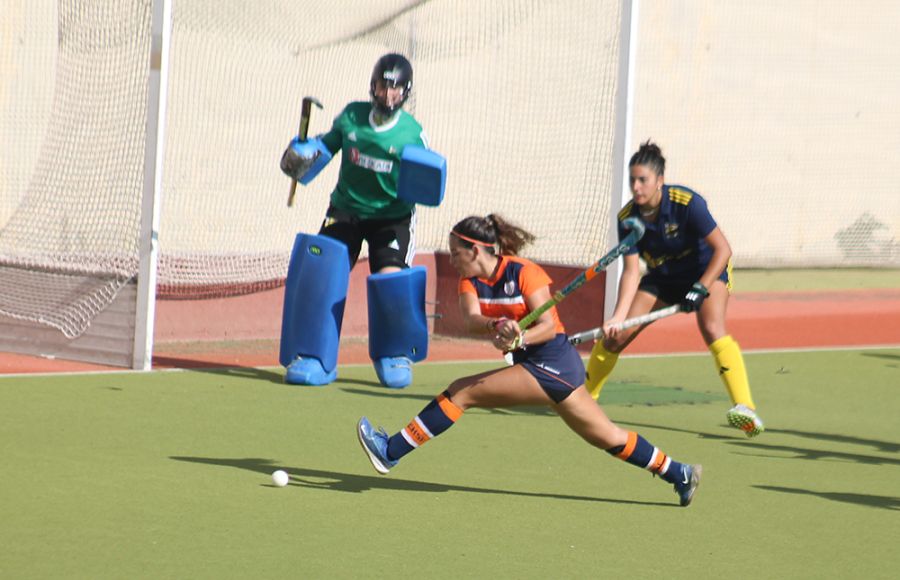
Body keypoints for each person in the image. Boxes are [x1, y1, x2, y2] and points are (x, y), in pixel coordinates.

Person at [356, 214, 702, 507]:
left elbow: (548, 326)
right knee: (607, 436)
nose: (452, 259)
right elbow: (470, 319)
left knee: (462, 392)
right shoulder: (469, 281)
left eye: (456, 252)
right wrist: (497, 326)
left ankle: (391, 450)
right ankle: (679, 473)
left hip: (551, 361)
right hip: (545, 365)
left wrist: (519, 336)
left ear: (475, 250)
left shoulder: (525, 273)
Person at [586, 141, 764, 437]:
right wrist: (617, 317)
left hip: (705, 270)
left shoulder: (686, 203)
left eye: (643, 180)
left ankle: (745, 407)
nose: (636, 186)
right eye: (632, 180)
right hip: (663, 277)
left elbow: (723, 250)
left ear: (659, 181)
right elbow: (631, 272)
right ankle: (584, 398)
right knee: (617, 337)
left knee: (711, 326)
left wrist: (700, 287)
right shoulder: (627, 218)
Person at [280, 53, 430, 388]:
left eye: (395, 89)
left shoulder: (412, 134)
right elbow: (327, 146)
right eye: (382, 86)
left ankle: (392, 354)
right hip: (346, 209)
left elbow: (427, 181)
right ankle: (315, 356)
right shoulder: (351, 116)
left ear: (406, 92)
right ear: (372, 86)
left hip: (391, 219)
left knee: (391, 280)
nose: (387, 94)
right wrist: (304, 151)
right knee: (323, 272)